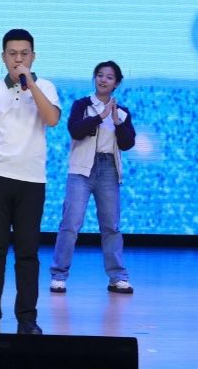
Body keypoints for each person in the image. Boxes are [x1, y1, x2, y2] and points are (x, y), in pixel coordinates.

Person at [0, 29, 60, 337]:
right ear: (3, 56)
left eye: (24, 54)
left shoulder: (45, 86)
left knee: (27, 253)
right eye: (12, 54)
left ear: (33, 56)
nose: (18, 59)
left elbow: (52, 119)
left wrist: (30, 83)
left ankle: (27, 319)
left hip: (32, 180)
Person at [50, 61, 138, 295]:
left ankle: (117, 277)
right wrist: (100, 116)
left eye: (109, 77)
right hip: (81, 169)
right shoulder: (82, 105)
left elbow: (127, 144)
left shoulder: (122, 112)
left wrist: (117, 122)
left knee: (111, 226)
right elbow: (75, 130)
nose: (103, 80)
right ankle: (59, 275)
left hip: (108, 169)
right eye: (99, 75)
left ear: (116, 83)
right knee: (70, 224)